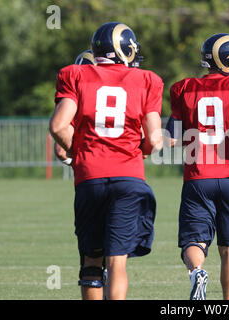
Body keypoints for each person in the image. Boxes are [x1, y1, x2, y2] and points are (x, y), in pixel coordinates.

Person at [49, 22, 164, 300]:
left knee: (91, 260)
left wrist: (82, 153)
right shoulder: (147, 80)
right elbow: (155, 139)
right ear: (126, 48)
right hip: (129, 178)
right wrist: (141, 150)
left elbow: (58, 127)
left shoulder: (75, 74)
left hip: (90, 179)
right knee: (117, 263)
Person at [166, 33, 229, 300]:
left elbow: (171, 138)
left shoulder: (184, 88)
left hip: (198, 176)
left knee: (193, 241)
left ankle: (197, 272)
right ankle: (228, 304)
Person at [54, 50, 96, 166]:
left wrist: (79, 164)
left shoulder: (75, 102)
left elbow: (60, 151)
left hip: (91, 173)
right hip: (125, 171)